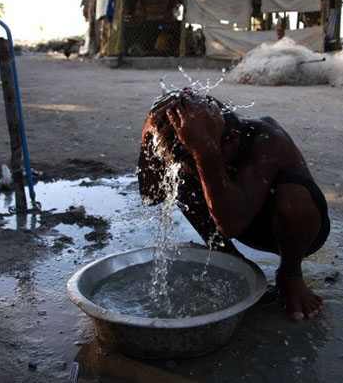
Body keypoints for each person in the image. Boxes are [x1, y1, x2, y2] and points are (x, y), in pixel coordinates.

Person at [138, 88, 330, 321]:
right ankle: (230, 257)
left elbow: (231, 225)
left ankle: (290, 274)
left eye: (212, 150)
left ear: (233, 140)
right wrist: (150, 134)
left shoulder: (267, 139)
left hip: (290, 229)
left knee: (294, 199)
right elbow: (153, 195)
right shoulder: (191, 142)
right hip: (230, 215)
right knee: (179, 178)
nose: (199, 169)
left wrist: (205, 152)